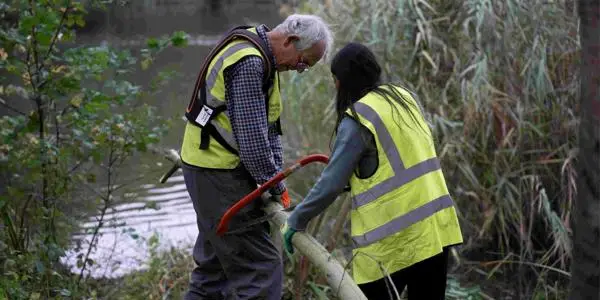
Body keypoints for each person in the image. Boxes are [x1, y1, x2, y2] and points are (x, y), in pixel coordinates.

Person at [282, 42, 464, 300]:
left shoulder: (358, 118)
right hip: (435, 230)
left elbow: (331, 184)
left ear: (344, 81)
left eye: (336, 80)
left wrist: (296, 220)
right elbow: (396, 160)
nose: (335, 86)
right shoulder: (404, 97)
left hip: (394, 243)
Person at [179, 14, 333, 300]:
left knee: (213, 271)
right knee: (260, 271)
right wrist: (275, 185)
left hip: (207, 169)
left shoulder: (260, 52)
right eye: (304, 62)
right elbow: (252, 142)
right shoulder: (249, 62)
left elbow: (269, 129)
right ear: (290, 40)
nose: (299, 70)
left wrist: (273, 180)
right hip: (218, 174)